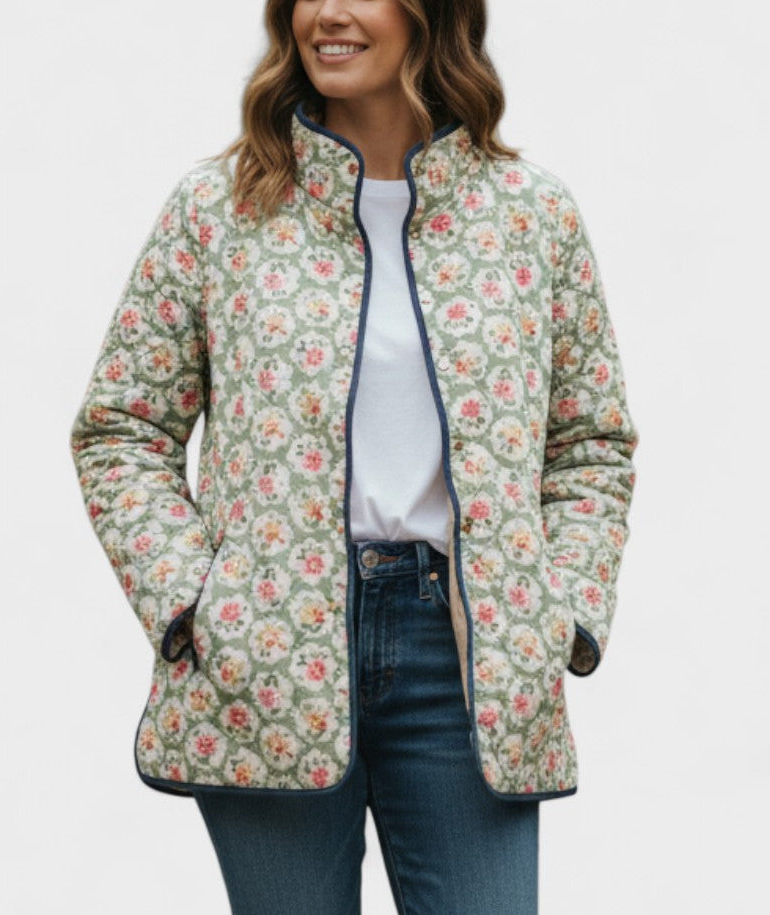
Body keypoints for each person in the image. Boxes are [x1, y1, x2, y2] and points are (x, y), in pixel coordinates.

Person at [69, 1, 639, 912]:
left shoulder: (532, 216)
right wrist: (197, 603)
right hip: (268, 655)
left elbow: (589, 443)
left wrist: (558, 610)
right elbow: (122, 427)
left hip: (465, 664)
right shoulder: (218, 209)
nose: (327, 13)